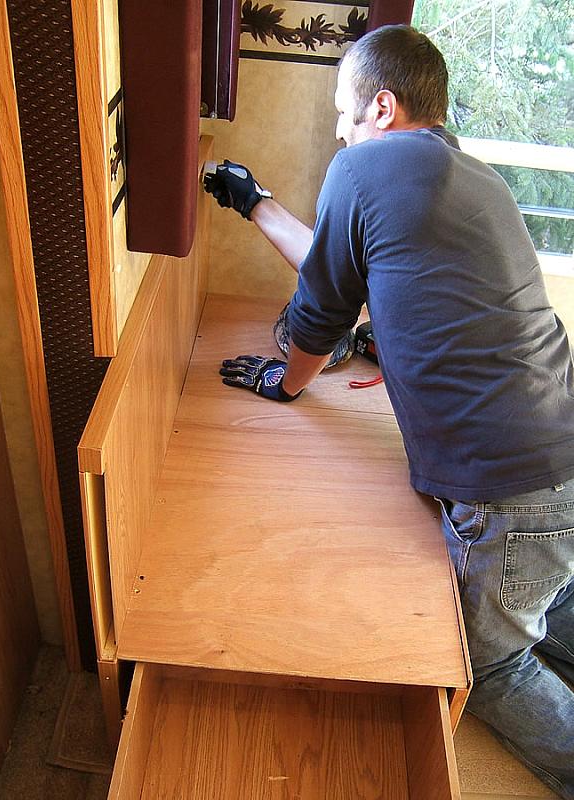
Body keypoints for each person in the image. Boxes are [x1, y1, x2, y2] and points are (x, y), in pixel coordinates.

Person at [204, 24, 574, 799]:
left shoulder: (363, 165)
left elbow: (319, 314)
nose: (338, 130)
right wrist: (257, 203)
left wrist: (287, 383)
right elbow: (369, 275)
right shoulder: (473, 179)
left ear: (381, 105)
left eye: (343, 112)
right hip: (562, 451)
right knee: (547, 587)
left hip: (508, 489)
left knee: (487, 662)